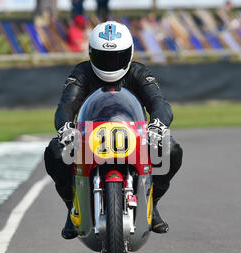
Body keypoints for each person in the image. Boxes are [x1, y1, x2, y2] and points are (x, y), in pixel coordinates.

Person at [44, 21, 183, 239]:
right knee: (54, 150)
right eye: (103, 57)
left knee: (170, 148)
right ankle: (72, 206)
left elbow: (159, 103)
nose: (110, 63)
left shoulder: (138, 72)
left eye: (117, 57)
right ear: (91, 53)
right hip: (91, 138)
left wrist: (158, 125)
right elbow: (66, 105)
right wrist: (65, 128)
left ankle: (152, 202)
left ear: (129, 53)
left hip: (134, 137)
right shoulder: (81, 73)